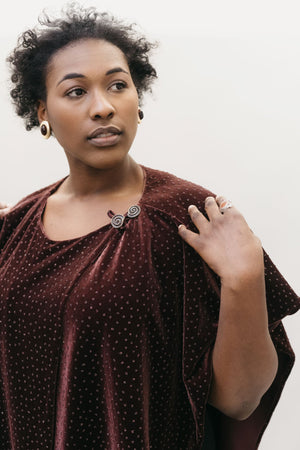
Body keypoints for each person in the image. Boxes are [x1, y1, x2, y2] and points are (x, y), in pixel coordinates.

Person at [0, 4, 298, 449]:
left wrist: (243, 278)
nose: (103, 107)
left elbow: (239, 400)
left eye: (118, 85)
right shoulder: (17, 226)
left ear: (137, 101)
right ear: (43, 111)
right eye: (76, 92)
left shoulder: (189, 214)